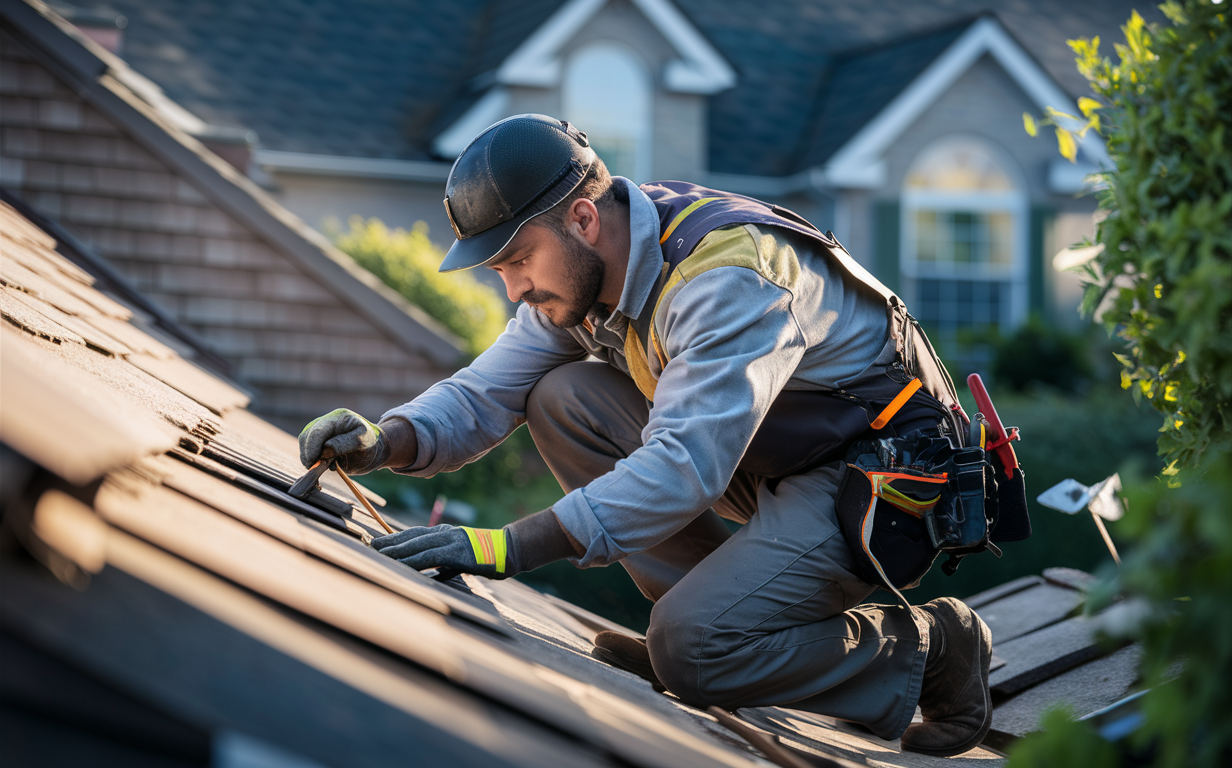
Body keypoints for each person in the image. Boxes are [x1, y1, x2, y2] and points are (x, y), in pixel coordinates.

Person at [298, 114, 993, 757]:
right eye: (500, 270)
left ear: (581, 217)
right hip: (773, 453)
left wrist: (505, 547)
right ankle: (707, 628)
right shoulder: (587, 266)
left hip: (877, 479)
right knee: (562, 397)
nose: (513, 289)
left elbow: (683, 466)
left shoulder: (727, 277)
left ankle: (927, 646)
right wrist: (385, 439)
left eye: (517, 260)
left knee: (694, 649)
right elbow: (489, 390)